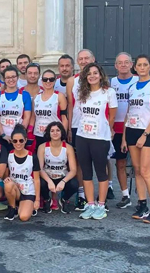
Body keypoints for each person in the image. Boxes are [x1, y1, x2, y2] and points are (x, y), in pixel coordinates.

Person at [122, 54, 150, 224]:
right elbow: (129, 112)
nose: (141, 67)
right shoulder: (132, 87)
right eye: (139, 65)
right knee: (137, 170)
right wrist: (125, 138)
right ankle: (142, 205)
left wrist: (145, 135)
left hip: (148, 132)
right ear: (135, 67)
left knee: (146, 171)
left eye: (145, 64)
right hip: (132, 131)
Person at [75, 63, 117, 220]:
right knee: (86, 172)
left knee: (101, 172)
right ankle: (90, 203)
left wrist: (108, 130)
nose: (92, 76)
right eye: (89, 73)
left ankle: (101, 204)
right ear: (85, 77)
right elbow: (81, 113)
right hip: (82, 136)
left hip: (100, 138)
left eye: (95, 73)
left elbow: (112, 115)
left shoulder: (108, 92)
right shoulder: (82, 93)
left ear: (101, 75)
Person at [66, 49, 96, 211]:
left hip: (96, 126)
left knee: (97, 161)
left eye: (86, 58)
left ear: (93, 59)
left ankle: (98, 196)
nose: (84, 61)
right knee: (79, 162)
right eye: (81, 59)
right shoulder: (72, 81)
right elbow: (71, 106)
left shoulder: (101, 80)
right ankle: (82, 195)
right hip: (78, 125)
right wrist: (70, 127)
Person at [110, 52, 138, 208]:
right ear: (115, 65)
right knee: (119, 163)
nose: (123, 65)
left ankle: (142, 197)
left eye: (126, 62)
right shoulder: (111, 82)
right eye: (119, 63)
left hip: (134, 127)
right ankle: (125, 195)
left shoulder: (137, 81)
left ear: (131, 64)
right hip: (117, 128)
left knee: (139, 165)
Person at [37, 121, 77, 214]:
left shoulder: (68, 148)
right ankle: (47, 200)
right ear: (48, 133)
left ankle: (64, 199)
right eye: (52, 131)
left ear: (62, 132)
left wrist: (63, 181)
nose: (55, 133)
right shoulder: (42, 147)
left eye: (58, 130)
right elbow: (40, 169)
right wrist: (49, 181)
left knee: (74, 184)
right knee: (40, 182)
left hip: (62, 176)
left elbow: (73, 170)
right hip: (48, 176)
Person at [4, 124, 40, 221]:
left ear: (25, 140)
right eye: (15, 141)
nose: (18, 143)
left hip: (28, 190)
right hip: (15, 189)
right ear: (11, 141)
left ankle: (26, 206)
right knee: (8, 184)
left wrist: (37, 199)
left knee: (23, 217)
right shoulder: (9, 155)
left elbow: (36, 180)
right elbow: (6, 173)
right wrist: (6, 178)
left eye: (21, 140)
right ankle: (12, 208)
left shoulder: (33, 157)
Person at [0, 66, 32, 152]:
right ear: (4, 79)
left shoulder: (25, 95)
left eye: (13, 77)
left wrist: (18, 134)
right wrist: (3, 134)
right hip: (1, 136)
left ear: (17, 77)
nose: (11, 80)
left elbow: (26, 117)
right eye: (8, 77)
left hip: (18, 138)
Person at [30, 69, 68, 151]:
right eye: (45, 79)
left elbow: (64, 118)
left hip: (54, 135)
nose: (48, 81)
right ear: (41, 80)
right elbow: (33, 117)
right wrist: (29, 132)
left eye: (51, 79)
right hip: (38, 134)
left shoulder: (59, 96)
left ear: (55, 81)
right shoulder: (36, 97)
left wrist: (63, 135)